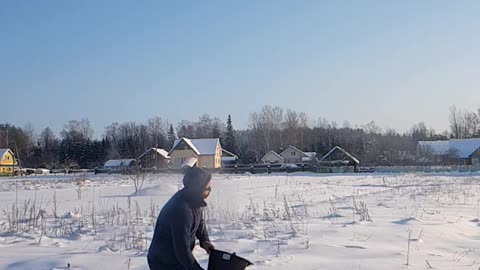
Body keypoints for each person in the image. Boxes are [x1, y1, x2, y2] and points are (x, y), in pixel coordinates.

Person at [147, 167, 215, 270]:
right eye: (207, 187)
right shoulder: (182, 210)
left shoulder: (193, 200)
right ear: (198, 188)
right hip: (163, 263)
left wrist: (204, 239)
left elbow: (199, 221)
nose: (209, 190)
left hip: (176, 259)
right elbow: (181, 250)